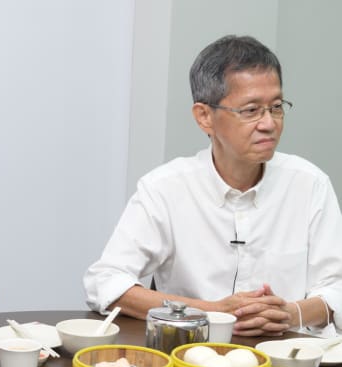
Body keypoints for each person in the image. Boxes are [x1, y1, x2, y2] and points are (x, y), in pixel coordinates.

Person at [84, 35, 342, 336]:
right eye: (251, 110)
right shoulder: (165, 189)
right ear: (205, 117)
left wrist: (290, 314)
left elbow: (336, 287)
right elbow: (105, 282)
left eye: (276, 107)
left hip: (291, 363)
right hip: (195, 358)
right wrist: (212, 311)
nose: (269, 123)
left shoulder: (310, 184)